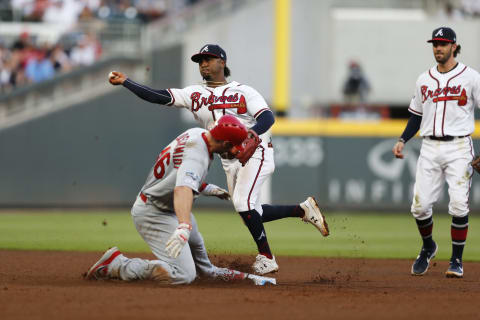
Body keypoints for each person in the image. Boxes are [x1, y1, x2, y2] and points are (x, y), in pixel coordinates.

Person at [108, 44, 329, 275]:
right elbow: (159, 96)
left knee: (244, 204)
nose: (203, 63)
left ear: (222, 62)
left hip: (255, 151)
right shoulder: (194, 93)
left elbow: (267, 117)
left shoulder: (244, 91)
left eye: (208, 59)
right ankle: (302, 210)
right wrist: (127, 82)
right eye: (200, 60)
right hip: (227, 156)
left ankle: (267, 257)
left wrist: (251, 134)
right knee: (249, 211)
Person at [85, 115, 276, 286]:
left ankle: (245, 278)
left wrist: (205, 187)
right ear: (225, 143)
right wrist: (184, 225)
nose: (237, 150)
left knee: (204, 270)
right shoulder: (197, 155)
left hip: (167, 207)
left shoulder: (197, 134)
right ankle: (119, 265)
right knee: (183, 275)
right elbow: (182, 188)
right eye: (235, 145)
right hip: (154, 212)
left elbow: (178, 172)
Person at [392, 27, 480, 278]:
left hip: (459, 146)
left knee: (459, 204)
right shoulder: (424, 79)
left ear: (454, 46)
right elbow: (416, 116)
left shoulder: (472, 77)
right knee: (419, 207)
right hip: (429, 146)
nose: (438, 48)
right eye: (435, 44)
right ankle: (429, 246)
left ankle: (456, 261)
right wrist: (402, 139)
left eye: (442, 44)